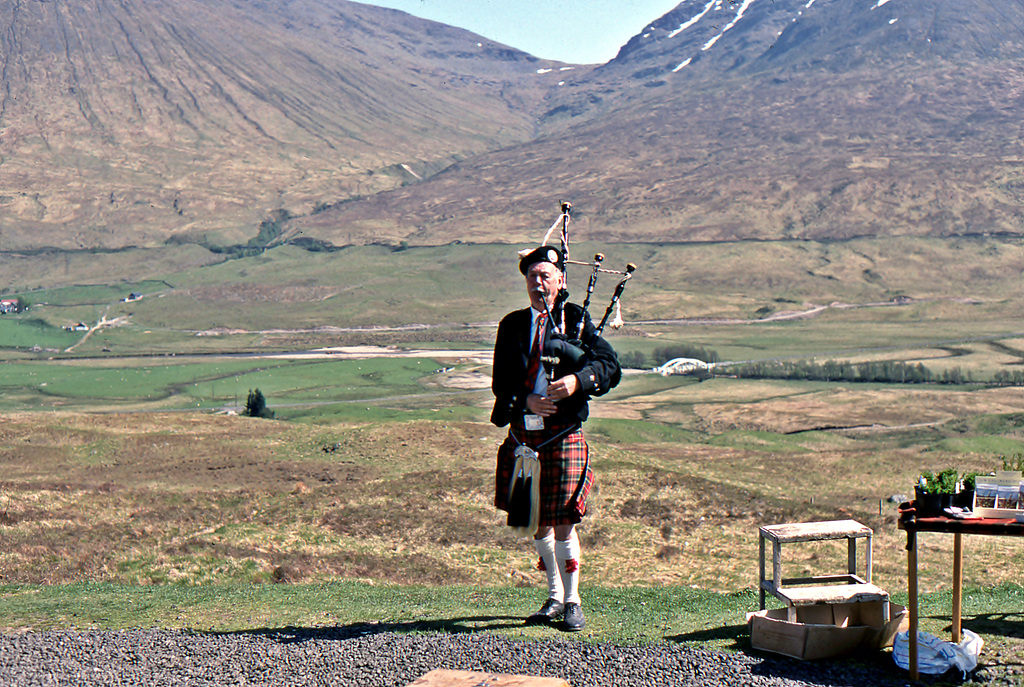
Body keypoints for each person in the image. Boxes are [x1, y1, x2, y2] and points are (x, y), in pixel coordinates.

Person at [491, 245, 621, 632]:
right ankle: (552, 597)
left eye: (546, 275)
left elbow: (609, 367)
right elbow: (501, 383)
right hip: (524, 435)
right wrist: (525, 399)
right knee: (537, 522)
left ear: (561, 280)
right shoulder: (512, 325)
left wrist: (578, 381)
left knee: (563, 521)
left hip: (563, 434)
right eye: (532, 276)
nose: (538, 282)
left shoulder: (577, 321)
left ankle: (573, 601)